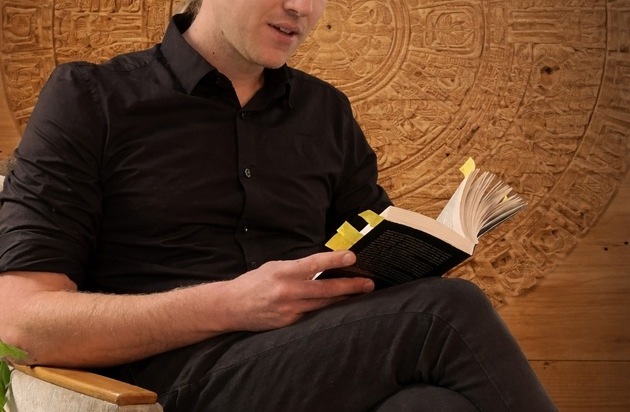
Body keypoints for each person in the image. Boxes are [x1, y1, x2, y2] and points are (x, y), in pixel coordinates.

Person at [0, 0, 557, 410]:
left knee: (431, 407)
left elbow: (373, 271)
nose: (302, 10)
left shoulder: (326, 113)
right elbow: (20, 324)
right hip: (165, 384)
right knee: (445, 312)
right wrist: (232, 304)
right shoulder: (90, 99)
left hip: (310, 366)